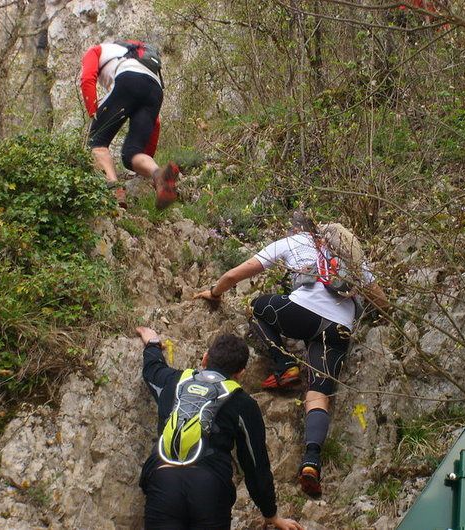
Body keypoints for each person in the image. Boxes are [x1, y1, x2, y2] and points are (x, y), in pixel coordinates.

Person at [193, 212, 388, 498]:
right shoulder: (348, 252)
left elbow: (237, 274)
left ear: (296, 229)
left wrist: (215, 291)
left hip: (302, 315)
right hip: (339, 330)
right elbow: (379, 298)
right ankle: (311, 460)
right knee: (319, 394)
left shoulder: (294, 242)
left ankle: (284, 366)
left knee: (257, 307)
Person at [136, 326, 304, 530]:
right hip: (209, 488)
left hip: (164, 481)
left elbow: (152, 369)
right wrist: (271, 514)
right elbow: (255, 464)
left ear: (205, 358)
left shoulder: (173, 381)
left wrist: (153, 343)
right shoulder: (243, 404)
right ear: (240, 373)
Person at [80, 40, 178, 209]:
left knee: (97, 143)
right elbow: (155, 123)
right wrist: (146, 154)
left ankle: (114, 189)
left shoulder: (96, 50)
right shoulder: (145, 63)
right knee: (131, 154)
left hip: (128, 79)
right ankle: (159, 175)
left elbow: (87, 79)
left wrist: (93, 113)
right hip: (156, 92)